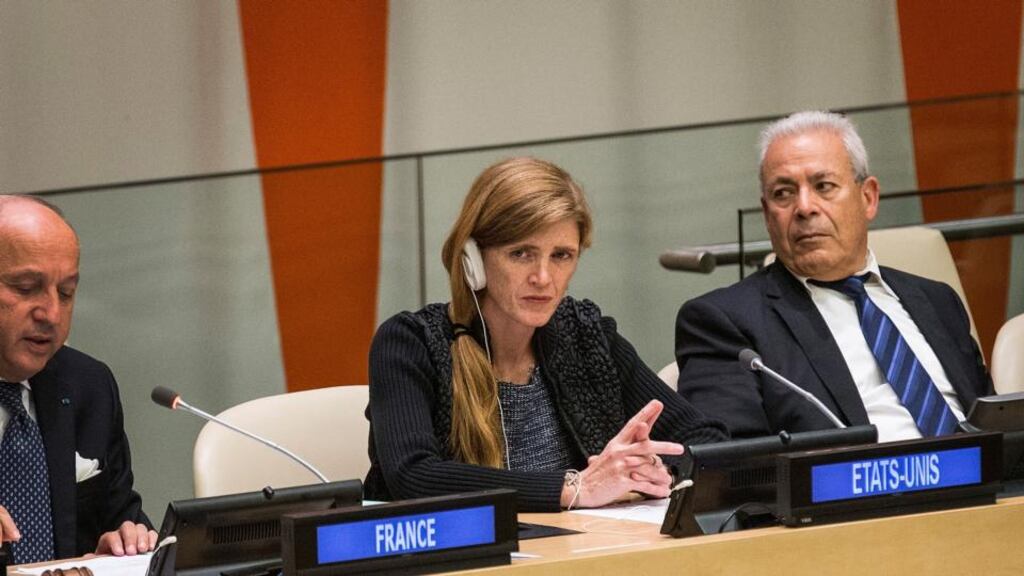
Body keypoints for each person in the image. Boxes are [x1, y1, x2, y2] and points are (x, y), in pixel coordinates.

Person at [366, 157, 727, 511]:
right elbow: (414, 476)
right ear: (473, 259)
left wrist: (657, 472)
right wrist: (575, 488)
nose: (543, 277)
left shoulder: (586, 336)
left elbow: (706, 440)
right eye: (521, 253)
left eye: (561, 255)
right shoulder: (411, 343)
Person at [675, 111, 992, 442]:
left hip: (982, 471)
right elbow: (733, 460)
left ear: (868, 198)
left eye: (823, 186)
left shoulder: (938, 301)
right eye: (783, 193)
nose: (804, 207)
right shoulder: (723, 323)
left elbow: (996, 423)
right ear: (768, 215)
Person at [0, 195, 156, 563]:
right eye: (26, 288)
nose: (52, 314)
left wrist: (122, 545)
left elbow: (120, 517)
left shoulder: (88, 385)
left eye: (66, 292)